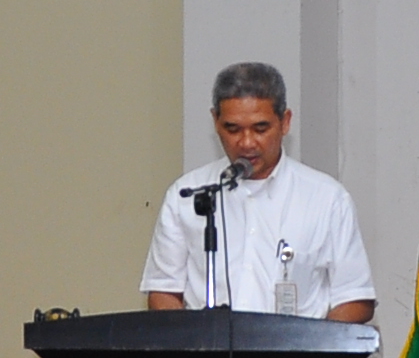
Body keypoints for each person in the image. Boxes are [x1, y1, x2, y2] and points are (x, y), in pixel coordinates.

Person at [142, 63, 377, 321]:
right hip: (207, 347)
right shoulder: (186, 195)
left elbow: (355, 299)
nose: (246, 143)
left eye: (260, 129)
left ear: (285, 122)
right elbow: (163, 291)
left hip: (295, 346)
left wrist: (310, 344)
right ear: (215, 122)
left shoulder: (327, 199)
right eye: (233, 129)